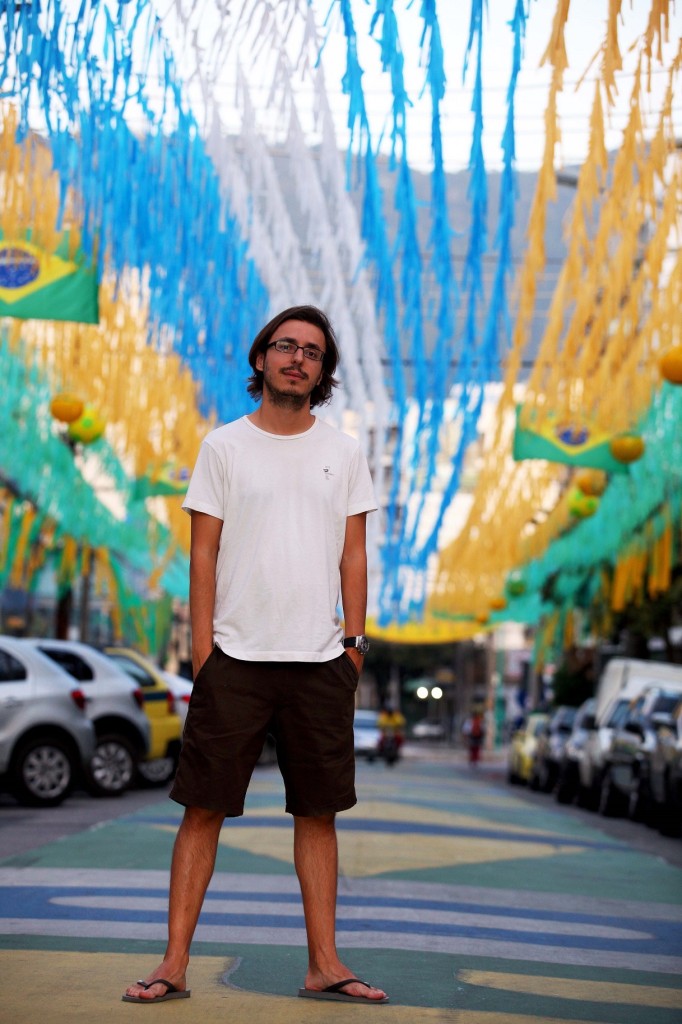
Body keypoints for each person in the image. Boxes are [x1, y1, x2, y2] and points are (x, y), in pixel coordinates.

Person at [123, 305, 387, 1006]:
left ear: (323, 372)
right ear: (262, 358)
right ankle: (173, 963)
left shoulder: (344, 451)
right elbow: (202, 552)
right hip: (234, 660)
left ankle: (324, 962)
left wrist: (354, 644)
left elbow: (353, 555)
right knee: (202, 810)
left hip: (320, 659)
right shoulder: (224, 447)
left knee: (318, 815)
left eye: (312, 352)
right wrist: (205, 651)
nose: (298, 358)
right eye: (286, 346)